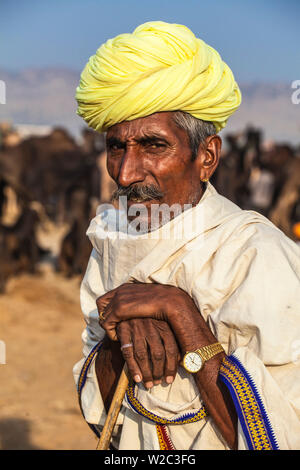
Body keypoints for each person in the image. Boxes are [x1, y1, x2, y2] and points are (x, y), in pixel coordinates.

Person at [73, 21, 300, 450]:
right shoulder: (111, 243)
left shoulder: (256, 256)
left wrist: (179, 312)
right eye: (116, 147)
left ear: (207, 156)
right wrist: (116, 336)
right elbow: (105, 417)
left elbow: (284, 433)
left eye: (154, 146)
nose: (125, 173)